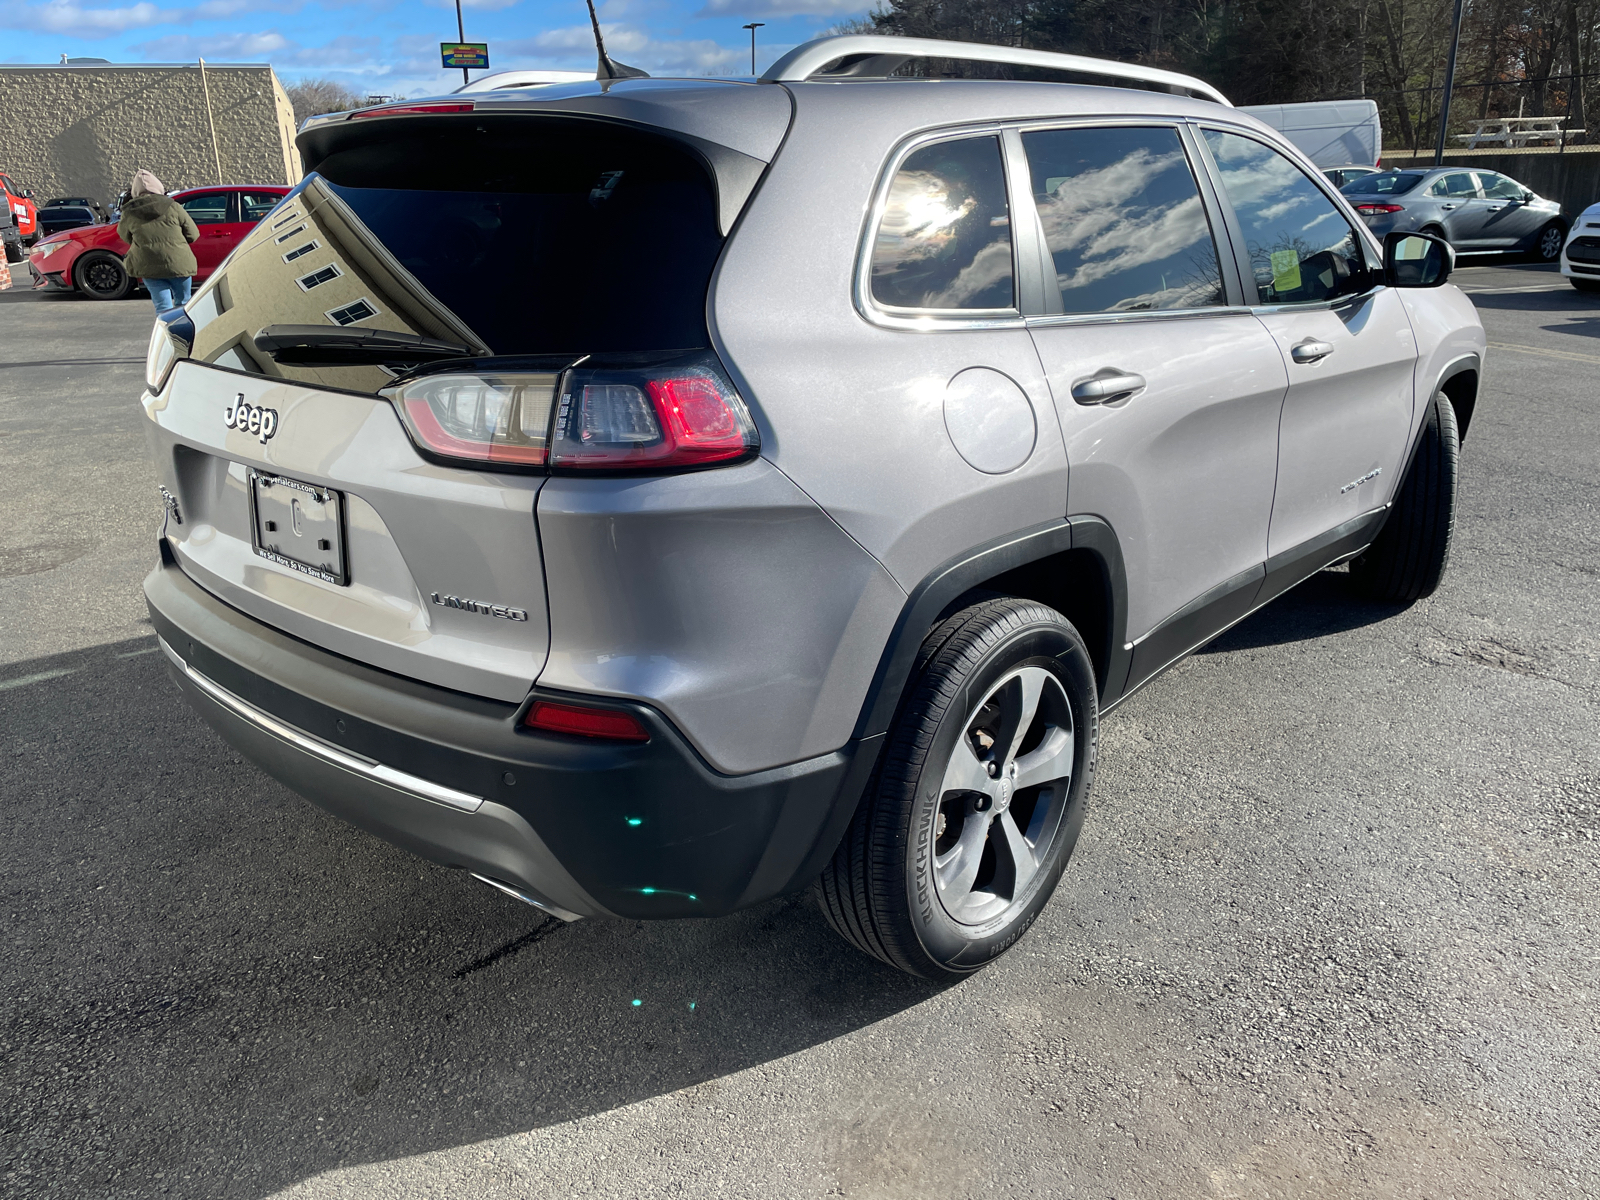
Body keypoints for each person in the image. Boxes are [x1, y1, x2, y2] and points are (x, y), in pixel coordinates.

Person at [116, 170, 198, 313]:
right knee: (184, 305)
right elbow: (193, 234)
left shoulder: (129, 212)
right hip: (179, 262)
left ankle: (167, 334)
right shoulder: (173, 206)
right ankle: (186, 334)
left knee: (163, 308)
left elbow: (125, 236)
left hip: (149, 265)